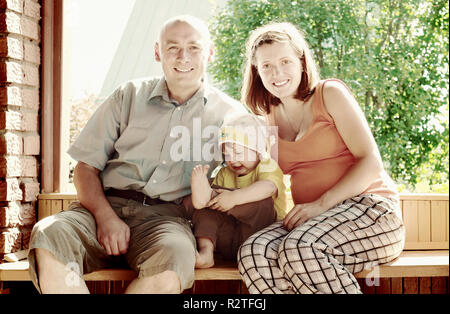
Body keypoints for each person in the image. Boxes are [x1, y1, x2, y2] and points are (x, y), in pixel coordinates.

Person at [27, 15, 246, 294]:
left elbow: (250, 174)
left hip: (167, 219)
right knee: (49, 233)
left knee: (177, 256)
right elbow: (85, 168)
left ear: (210, 52)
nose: (183, 56)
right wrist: (106, 217)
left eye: (194, 47)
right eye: (172, 47)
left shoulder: (230, 114)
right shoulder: (127, 96)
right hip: (102, 208)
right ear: (157, 52)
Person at [237, 22, 405, 294]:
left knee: (300, 248)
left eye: (285, 61)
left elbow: (371, 161)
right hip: (316, 224)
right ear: (256, 71)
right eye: (266, 66)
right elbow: (255, 173)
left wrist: (320, 205)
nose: (276, 73)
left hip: (372, 213)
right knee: (254, 252)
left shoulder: (330, 95)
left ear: (302, 63)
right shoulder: (266, 119)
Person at [190, 112, 286, 268]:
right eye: (226, 154)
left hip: (261, 238)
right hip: (229, 241)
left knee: (263, 202)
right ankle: (206, 252)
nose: (232, 159)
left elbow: (269, 187)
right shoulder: (224, 173)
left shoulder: (266, 166)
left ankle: (211, 195)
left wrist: (234, 198)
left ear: (258, 150)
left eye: (239, 152)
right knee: (208, 208)